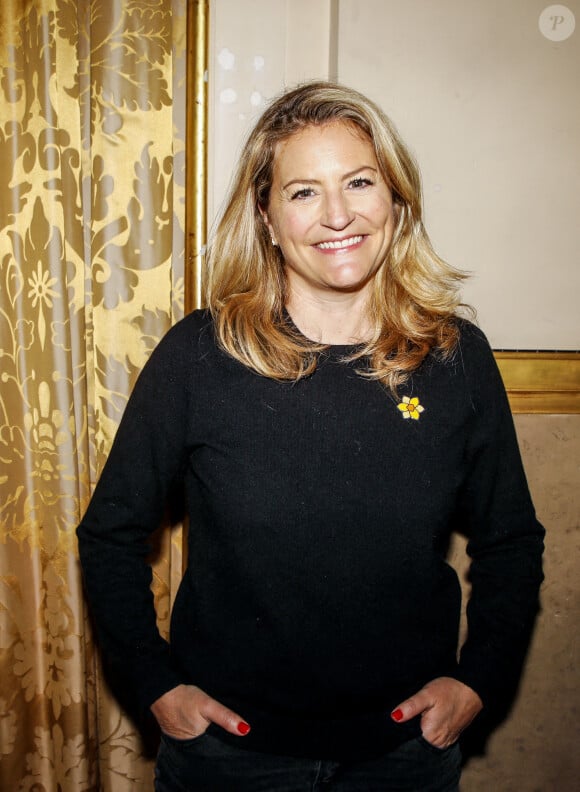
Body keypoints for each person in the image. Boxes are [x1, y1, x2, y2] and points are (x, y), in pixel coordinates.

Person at [77, 81, 545, 791]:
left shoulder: (457, 359)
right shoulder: (200, 358)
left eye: (359, 182)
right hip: (228, 760)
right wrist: (155, 683)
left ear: (396, 200)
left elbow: (510, 541)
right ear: (265, 216)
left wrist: (478, 681)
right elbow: (110, 532)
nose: (337, 215)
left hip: (404, 760)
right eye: (302, 192)